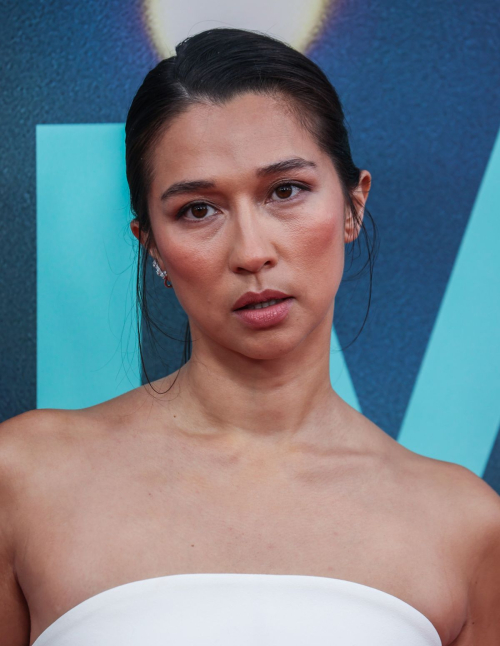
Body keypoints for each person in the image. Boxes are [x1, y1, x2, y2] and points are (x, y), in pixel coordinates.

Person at [1, 27, 500, 646]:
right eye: (197, 210)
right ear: (150, 244)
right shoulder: (23, 478)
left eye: (285, 191)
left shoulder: (465, 525)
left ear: (352, 205)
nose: (251, 251)